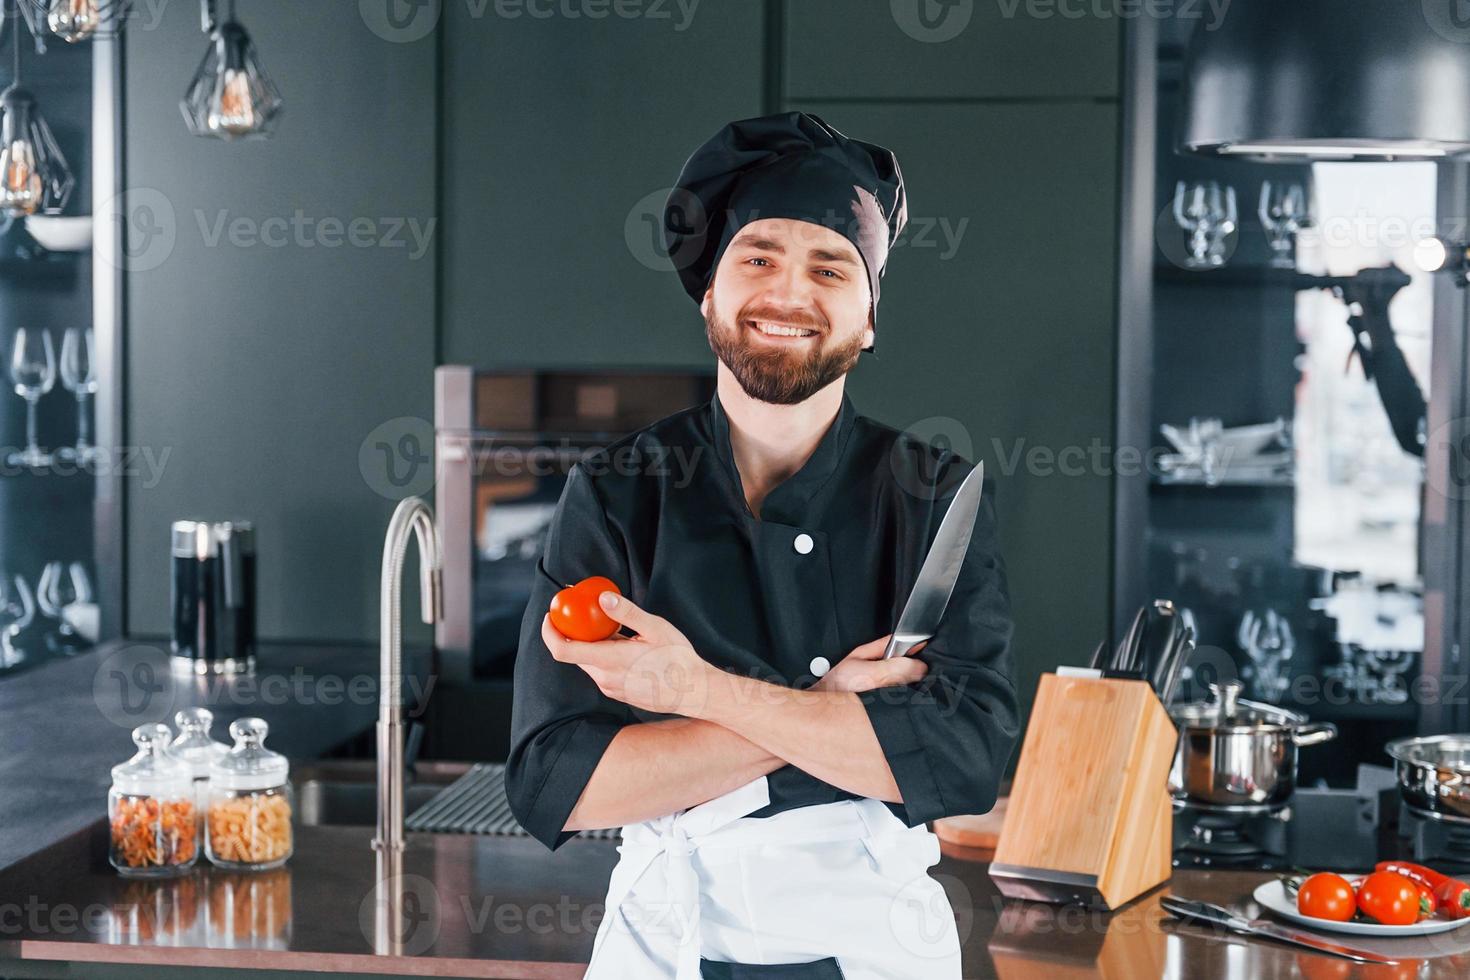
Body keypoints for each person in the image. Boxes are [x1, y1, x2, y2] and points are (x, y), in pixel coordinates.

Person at [506, 111, 1019, 980]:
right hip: (667, 943)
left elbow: (967, 761)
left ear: (869, 321)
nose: (789, 294)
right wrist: (836, 710)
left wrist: (695, 693)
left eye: (830, 267)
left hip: (875, 949)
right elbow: (561, 781)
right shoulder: (620, 493)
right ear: (709, 292)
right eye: (758, 259)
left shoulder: (933, 497)